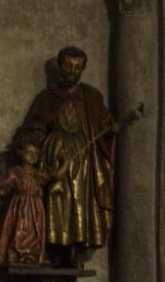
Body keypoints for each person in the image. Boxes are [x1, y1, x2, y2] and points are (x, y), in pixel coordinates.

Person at [13, 47, 116, 258]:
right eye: (68, 65)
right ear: (60, 67)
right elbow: (34, 127)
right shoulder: (47, 97)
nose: (73, 71)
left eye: (78, 67)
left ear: (83, 70)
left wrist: (111, 126)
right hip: (54, 154)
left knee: (80, 198)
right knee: (56, 195)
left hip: (83, 156)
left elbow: (103, 123)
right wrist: (29, 145)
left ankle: (76, 243)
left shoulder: (92, 96)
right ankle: (52, 242)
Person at [0, 143, 48, 268]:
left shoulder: (38, 174)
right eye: (29, 153)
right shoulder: (16, 171)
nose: (33, 156)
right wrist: (2, 189)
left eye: (36, 154)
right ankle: (16, 252)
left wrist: (64, 165)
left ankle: (33, 254)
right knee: (21, 228)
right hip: (21, 205)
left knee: (36, 230)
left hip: (37, 207)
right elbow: (5, 183)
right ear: (22, 154)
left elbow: (51, 177)